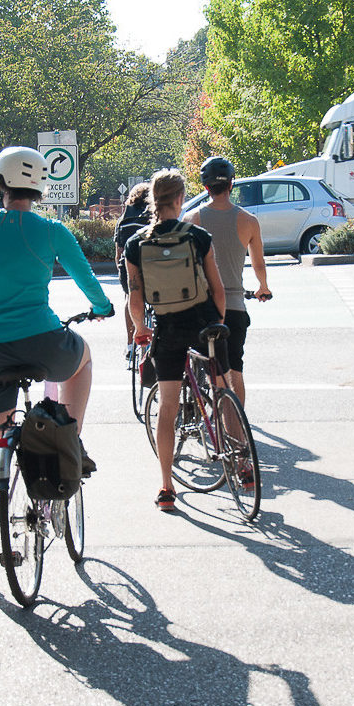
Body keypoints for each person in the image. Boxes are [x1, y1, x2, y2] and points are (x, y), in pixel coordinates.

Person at [0, 146, 113, 593]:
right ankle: (70, 435)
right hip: (43, 342)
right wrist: (101, 307)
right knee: (82, 357)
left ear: (0, 185)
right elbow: (86, 277)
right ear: (39, 188)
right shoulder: (51, 229)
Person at [124, 168, 228, 512]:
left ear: (153, 200)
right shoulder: (198, 236)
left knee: (167, 407)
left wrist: (140, 328)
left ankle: (167, 487)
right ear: (181, 198)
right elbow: (217, 289)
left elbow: (135, 299)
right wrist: (218, 323)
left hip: (167, 327)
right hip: (202, 322)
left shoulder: (135, 243)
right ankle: (242, 466)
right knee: (222, 387)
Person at [182, 155, 272, 405]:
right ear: (232, 184)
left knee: (208, 367)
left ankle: (212, 424)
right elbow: (258, 264)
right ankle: (238, 431)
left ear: (205, 187)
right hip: (234, 306)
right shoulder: (249, 221)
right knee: (235, 369)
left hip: (203, 307)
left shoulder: (191, 219)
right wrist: (262, 287)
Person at [114, 182, 151, 344]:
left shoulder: (123, 220)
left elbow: (118, 254)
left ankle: (131, 344)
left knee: (129, 298)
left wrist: (122, 271)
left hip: (129, 271)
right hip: (153, 270)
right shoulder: (153, 217)